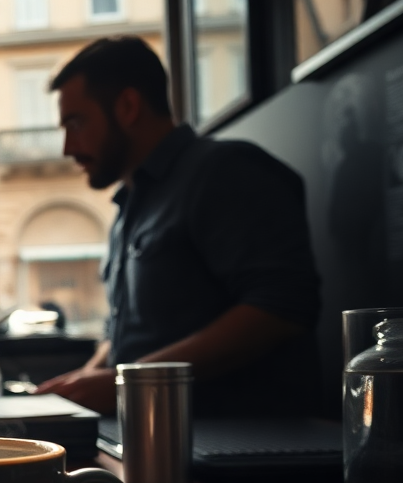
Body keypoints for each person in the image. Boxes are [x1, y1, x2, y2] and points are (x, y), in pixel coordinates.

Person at [33, 37, 320, 416]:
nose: (68, 147)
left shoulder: (225, 172)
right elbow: (127, 336)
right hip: (151, 437)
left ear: (128, 106)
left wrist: (127, 383)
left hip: (229, 449)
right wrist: (83, 382)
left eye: (76, 122)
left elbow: (281, 308)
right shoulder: (128, 208)